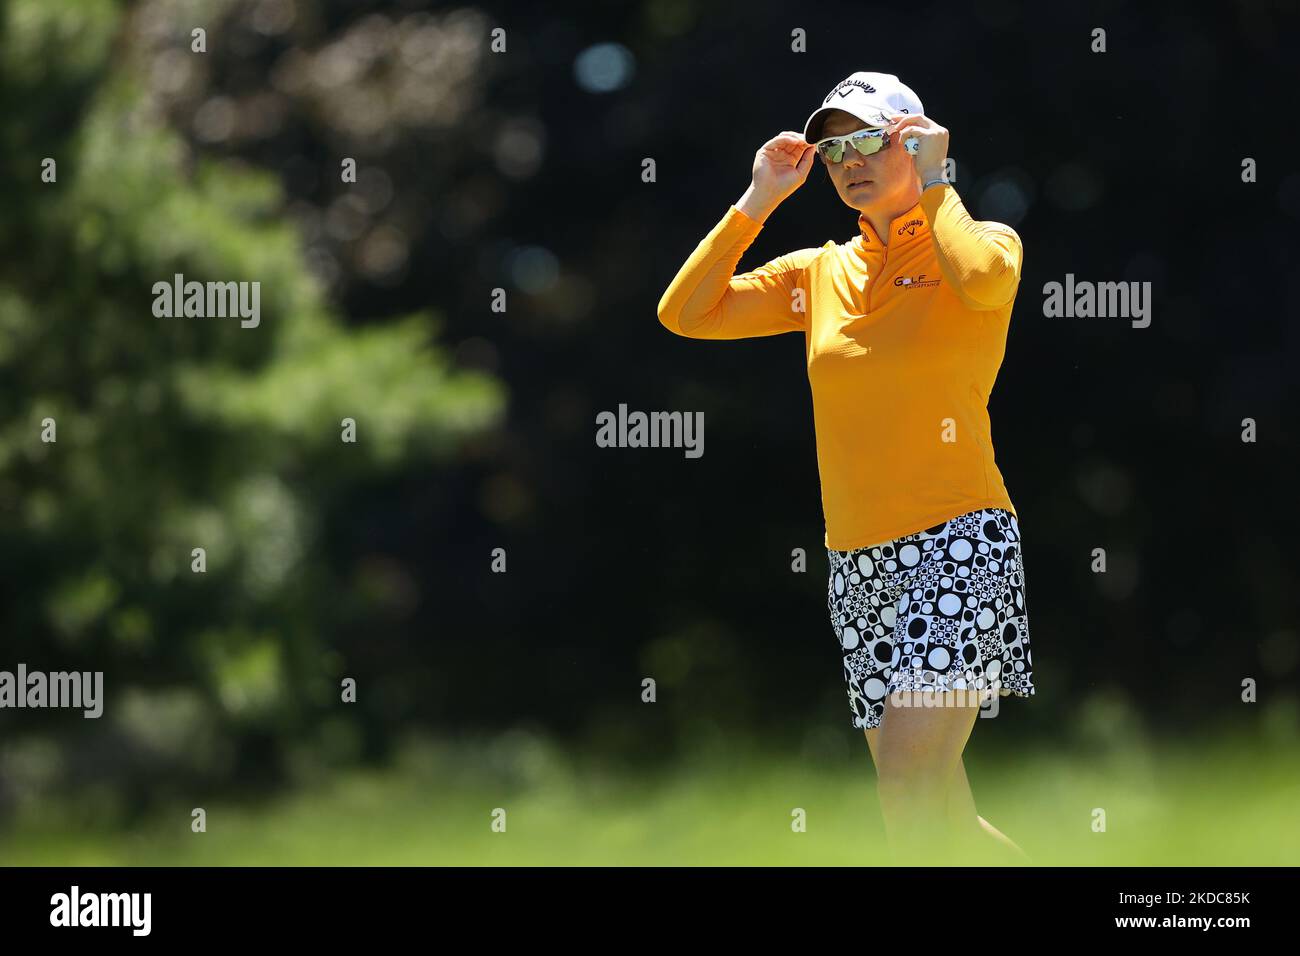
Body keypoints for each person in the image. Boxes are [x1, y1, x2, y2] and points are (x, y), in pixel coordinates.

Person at [657, 72, 1035, 863]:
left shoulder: (983, 242)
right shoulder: (815, 274)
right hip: (856, 561)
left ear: (911, 138)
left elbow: (984, 281)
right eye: (833, 151)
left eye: (867, 139)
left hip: (958, 539)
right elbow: (686, 313)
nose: (847, 161)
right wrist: (757, 201)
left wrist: (937, 182)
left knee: (907, 778)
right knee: (927, 810)